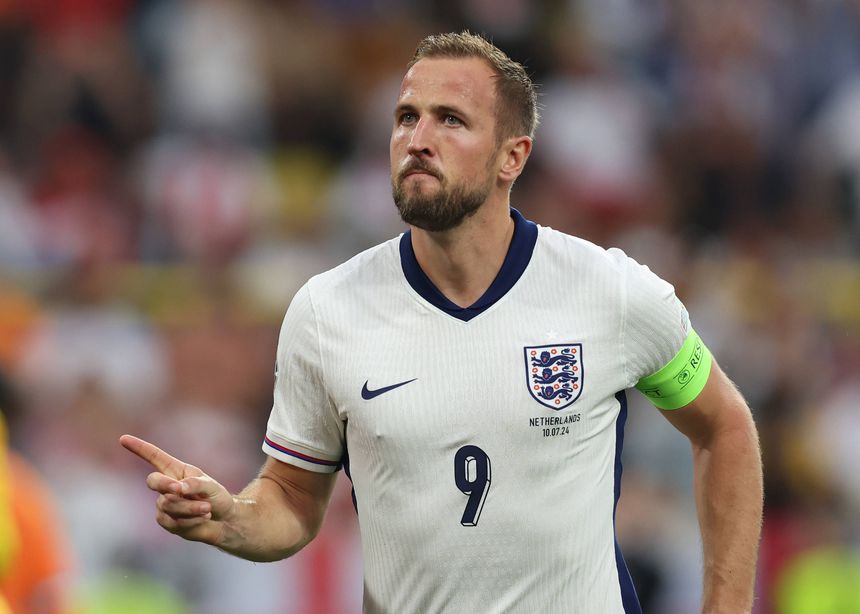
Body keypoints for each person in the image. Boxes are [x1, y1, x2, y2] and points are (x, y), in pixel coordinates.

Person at [121, 31, 763, 613]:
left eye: (450, 119)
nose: (417, 139)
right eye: (407, 117)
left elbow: (724, 428)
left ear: (513, 157)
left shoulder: (610, 292)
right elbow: (291, 499)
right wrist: (231, 518)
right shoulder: (327, 312)